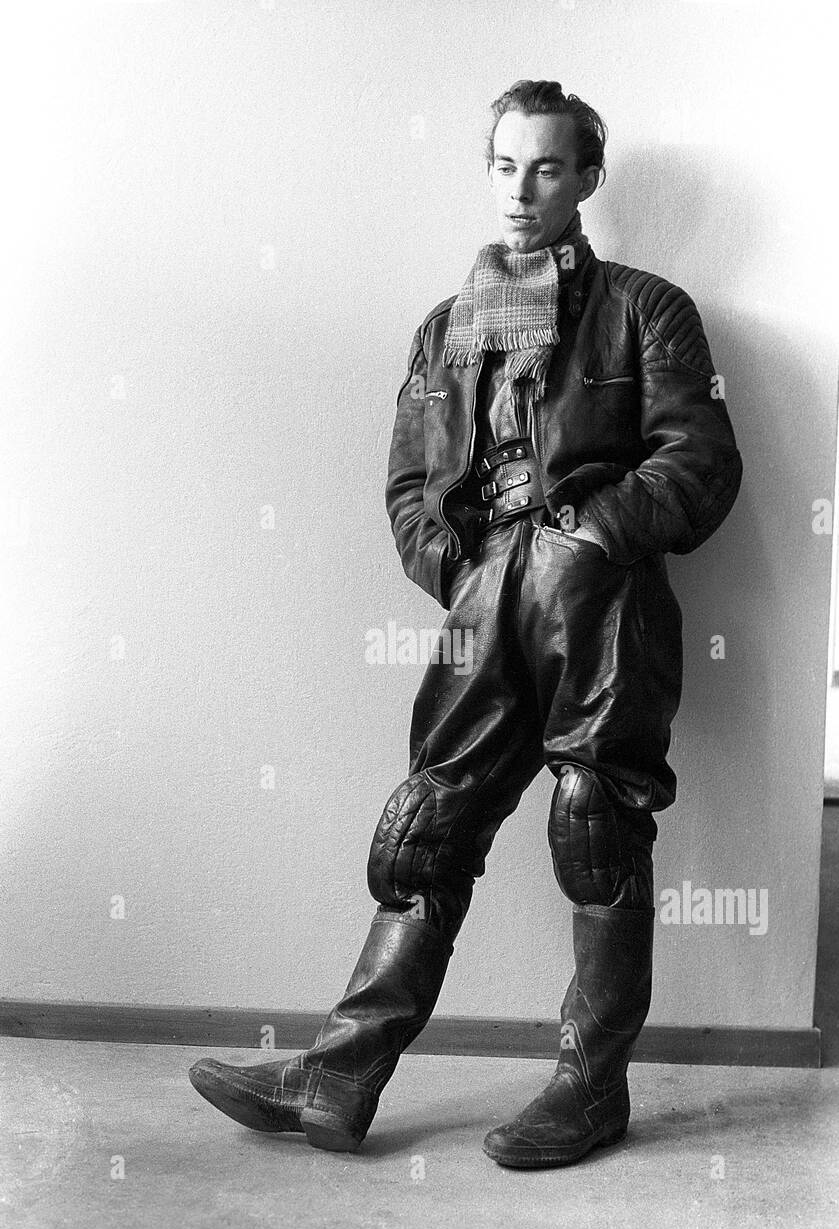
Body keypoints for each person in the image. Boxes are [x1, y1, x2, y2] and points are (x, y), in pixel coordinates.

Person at [189, 79, 742, 1169]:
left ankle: (590, 1088)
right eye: (503, 166)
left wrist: (576, 537)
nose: (522, 189)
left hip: (601, 600)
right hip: (486, 604)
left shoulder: (648, 308)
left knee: (594, 827)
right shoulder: (444, 329)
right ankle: (340, 1073)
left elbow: (700, 464)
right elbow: (408, 490)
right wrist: (467, 567)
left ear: (586, 178)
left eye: (546, 167)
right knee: (423, 834)